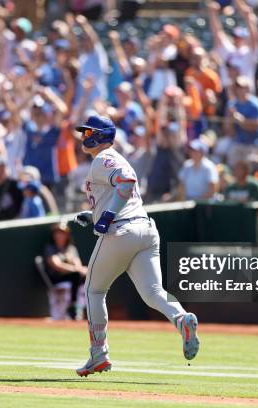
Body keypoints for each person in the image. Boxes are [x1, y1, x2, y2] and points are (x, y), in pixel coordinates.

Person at [72, 115, 199, 377]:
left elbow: (126, 183)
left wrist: (106, 217)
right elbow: (119, 191)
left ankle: (99, 354)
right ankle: (181, 319)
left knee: (94, 290)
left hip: (122, 230)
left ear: (100, 135)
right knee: (153, 293)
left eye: (87, 133)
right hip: (145, 229)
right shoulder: (112, 158)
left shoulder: (102, 158)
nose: (84, 137)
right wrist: (94, 214)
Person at [44, 222, 87, 320]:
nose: (59, 235)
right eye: (57, 233)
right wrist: (76, 269)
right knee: (77, 275)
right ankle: (73, 306)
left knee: (84, 277)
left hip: (73, 279)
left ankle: (78, 308)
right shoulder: (50, 248)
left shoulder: (71, 249)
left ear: (67, 235)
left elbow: (78, 264)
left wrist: (83, 270)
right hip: (57, 278)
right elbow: (57, 265)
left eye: (62, 233)